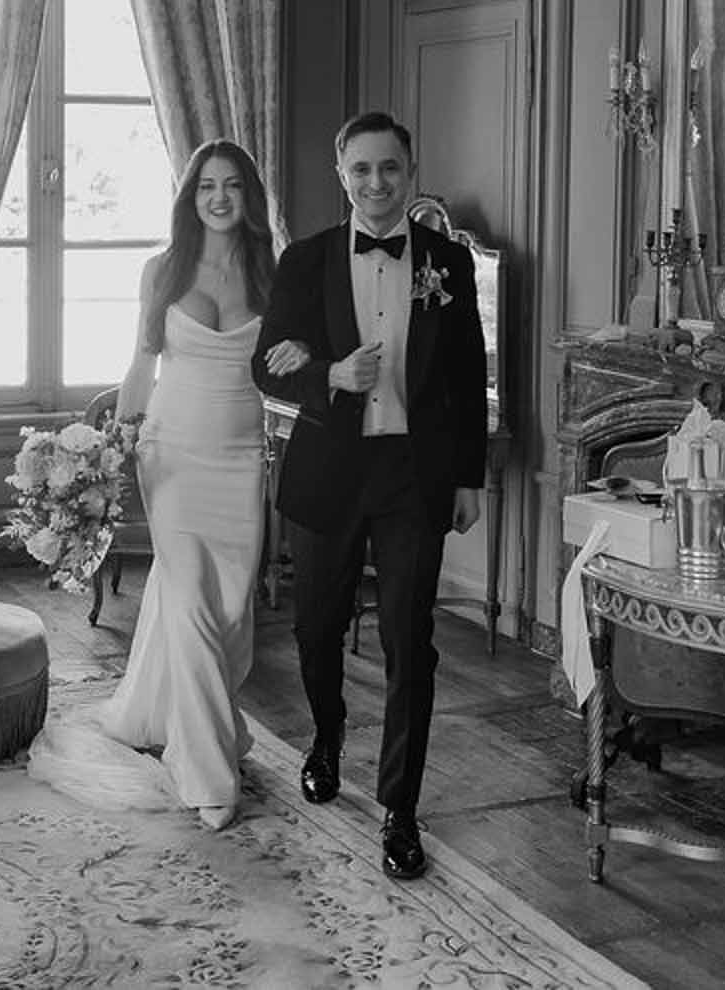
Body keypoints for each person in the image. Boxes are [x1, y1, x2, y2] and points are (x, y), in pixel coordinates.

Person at [30, 139, 306, 832]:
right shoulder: (162, 269)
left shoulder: (274, 272)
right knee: (188, 602)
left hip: (240, 458)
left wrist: (306, 351)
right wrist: (115, 443)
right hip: (172, 456)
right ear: (190, 196)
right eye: (206, 185)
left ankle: (154, 712)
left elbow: (299, 356)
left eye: (232, 185)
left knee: (227, 611)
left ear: (249, 197)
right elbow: (140, 364)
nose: (219, 197)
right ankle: (209, 774)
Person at [251, 111, 488, 881]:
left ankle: (400, 808)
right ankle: (325, 738)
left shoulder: (449, 263)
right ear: (341, 176)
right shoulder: (305, 260)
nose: (376, 183)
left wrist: (469, 478)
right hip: (329, 472)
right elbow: (264, 364)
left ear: (409, 171)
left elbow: (467, 376)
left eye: (389, 168)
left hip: (415, 477)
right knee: (316, 630)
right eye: (361, 169)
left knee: (408, 641)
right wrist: (328, 373)